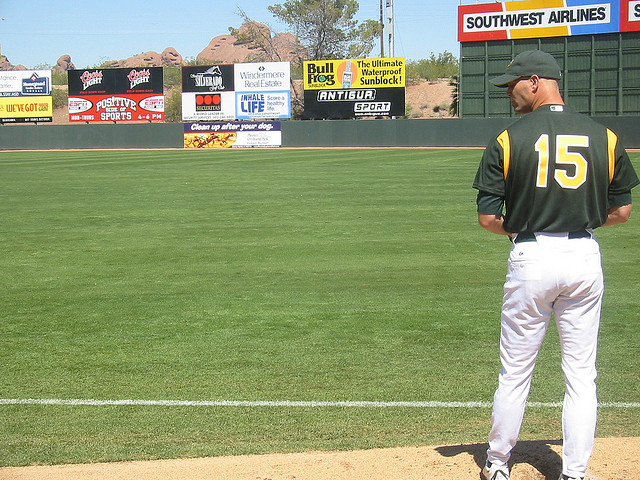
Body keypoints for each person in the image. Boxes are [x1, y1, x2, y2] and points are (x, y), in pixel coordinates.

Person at [473, 49, 639, 480]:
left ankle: (497, 464)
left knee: (515, 371)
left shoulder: (508, 139)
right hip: (584, 256)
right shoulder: (605, 136)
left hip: (531, 256)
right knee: (582, 375)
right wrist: (578, 219)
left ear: (534, 81)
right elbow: (622, 211)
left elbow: (489, 218)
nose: (508, 92)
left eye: (512, 84)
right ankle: (575, 473)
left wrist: (522, 228)